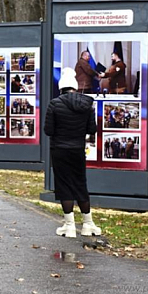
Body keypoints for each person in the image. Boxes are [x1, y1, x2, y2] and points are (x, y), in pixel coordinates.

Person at [44, 67, 101, 238]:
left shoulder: (54, 104)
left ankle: (69, 226)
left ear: (61, 87)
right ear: (75, 87)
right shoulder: (87, 104)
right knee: (80, 183)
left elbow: (48, 130)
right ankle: (88, 224)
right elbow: (92, 129)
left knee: (64, 185)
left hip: (59, 150)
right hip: (77, 149)